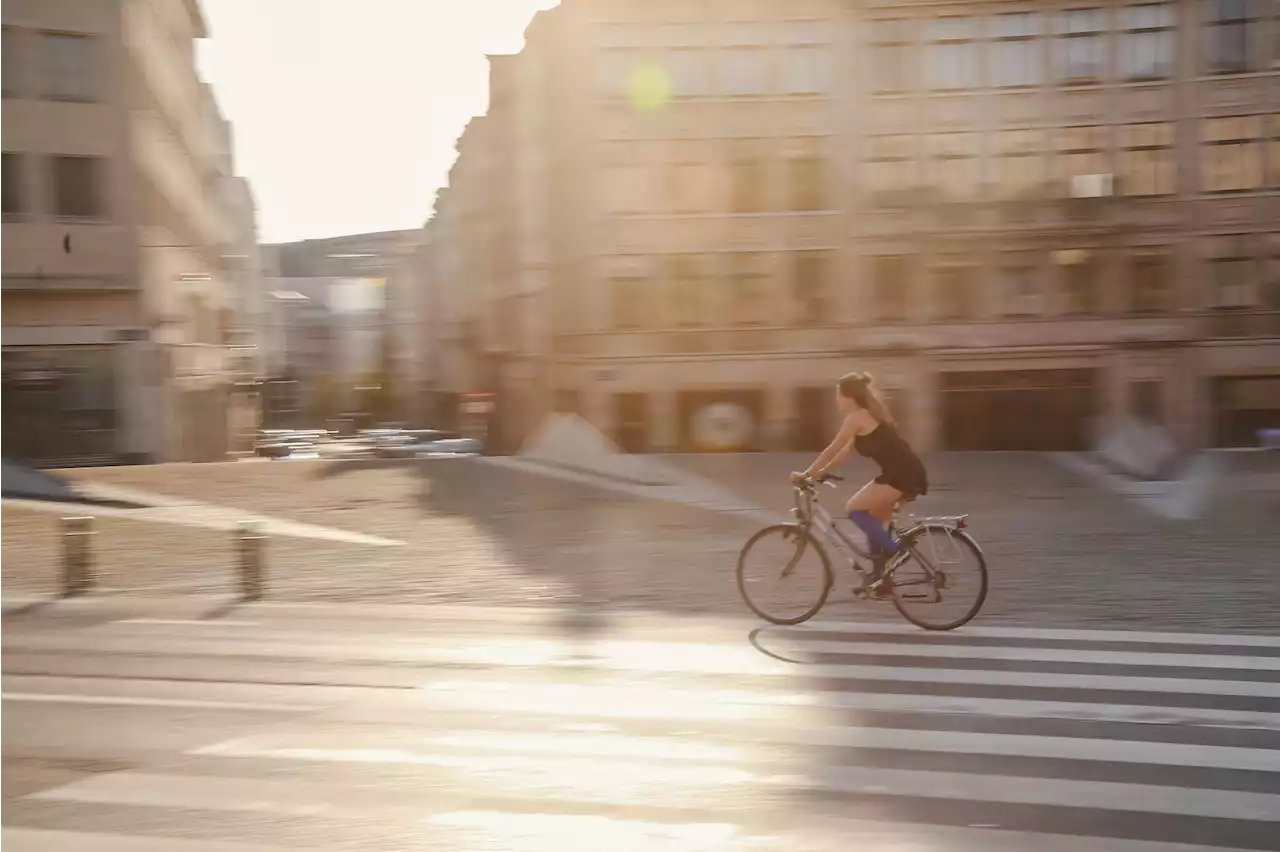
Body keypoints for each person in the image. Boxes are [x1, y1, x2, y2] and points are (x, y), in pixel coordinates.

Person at [791, 371, 929, 595]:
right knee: (875, 524)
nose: (836, 399)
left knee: (854, 509)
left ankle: (894, 551)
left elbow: (831, 449)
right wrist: (821, 472)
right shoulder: (866, 417)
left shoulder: (856, 418)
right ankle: (883, 581)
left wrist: (805, 474)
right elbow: (845, 453)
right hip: (905, 472)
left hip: (901, 474)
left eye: (838, 394)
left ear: (848, 397)